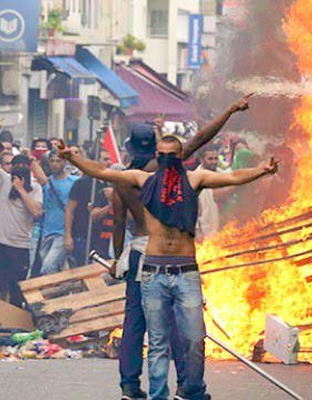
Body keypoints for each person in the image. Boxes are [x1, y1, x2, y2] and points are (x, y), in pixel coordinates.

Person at [59, 132, 277, 400]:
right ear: (156, 157)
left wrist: (262, 170)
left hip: (186, 271)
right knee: (158, 344)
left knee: (194, 339)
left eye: (171, 156)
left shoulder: (194, 179)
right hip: (154, 271)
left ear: (180, 156)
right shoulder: (144, 180)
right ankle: (158, 395)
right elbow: (103, 172)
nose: (166, 160)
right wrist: (73, 159)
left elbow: (232, 177)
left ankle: (190, 390)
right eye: (161, 156)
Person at [0, 127, 43, 310]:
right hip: (0, 245)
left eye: (23, 169)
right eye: (16, 168)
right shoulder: (4, 180)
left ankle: (15, 320)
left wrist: (21, 190)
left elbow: (36, 212)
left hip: (20, 247)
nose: (19, 172)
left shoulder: (35, 188)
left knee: (17, 291)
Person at [65, 149, 114, 266]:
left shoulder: (110, 184)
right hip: (82, 235)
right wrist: (68, 236)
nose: (109, 163)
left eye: (109, 159)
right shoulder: (81, 183)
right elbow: (69, 211)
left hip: (102, 238)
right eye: (105, 159)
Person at [37, 150, 78, 276]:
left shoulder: (74, 182)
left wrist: (69, 236)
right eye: (52, 161)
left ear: (64, 162)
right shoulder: (46, 182)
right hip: (46, 231)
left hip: (63, 232)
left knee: (48, 267)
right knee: (50, 268)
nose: (55, 164)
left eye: (58, 161)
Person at [195, 146, 221, 241]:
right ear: (201, 160)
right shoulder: (195, 179)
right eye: (210, 159)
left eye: (216, 158)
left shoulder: (223, 174)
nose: (214, 161)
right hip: (206, 230)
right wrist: (197, 231)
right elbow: (191, 209)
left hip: (224, 227)